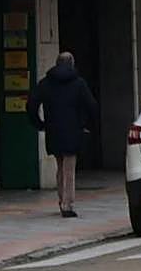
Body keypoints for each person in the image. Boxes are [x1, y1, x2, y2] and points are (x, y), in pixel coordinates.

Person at [26, 52, 98, 218]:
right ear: (71, 63)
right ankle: (67, 204)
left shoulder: (45, 83)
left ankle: (61, 200)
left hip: (53, 130)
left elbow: (31, 104)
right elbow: (92, 105)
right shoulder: (79, 83)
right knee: (69, 169)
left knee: (60, 167)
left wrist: (39, 124)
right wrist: (87, 124)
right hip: (73, 130)